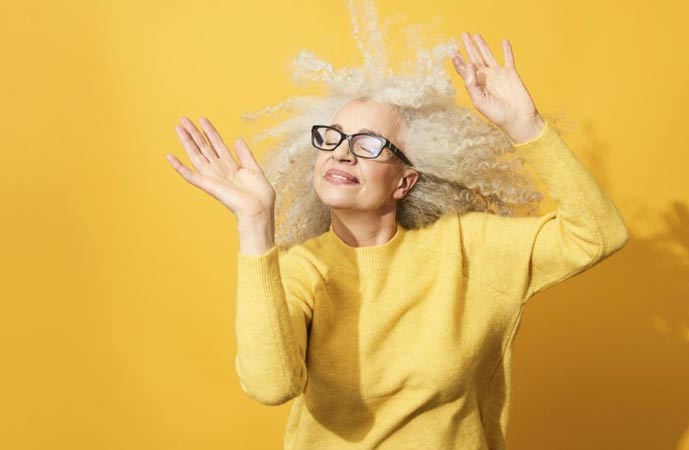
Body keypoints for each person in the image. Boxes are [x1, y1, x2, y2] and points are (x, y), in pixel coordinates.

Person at [166, 4, 629, 449]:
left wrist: (525, 126)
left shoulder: (468, 248)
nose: (342, 153)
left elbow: (598, 234)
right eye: (333, 138)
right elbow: (271, 386)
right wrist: (254, 225)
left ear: (405, 181)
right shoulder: (303, 269)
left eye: (368, 143)